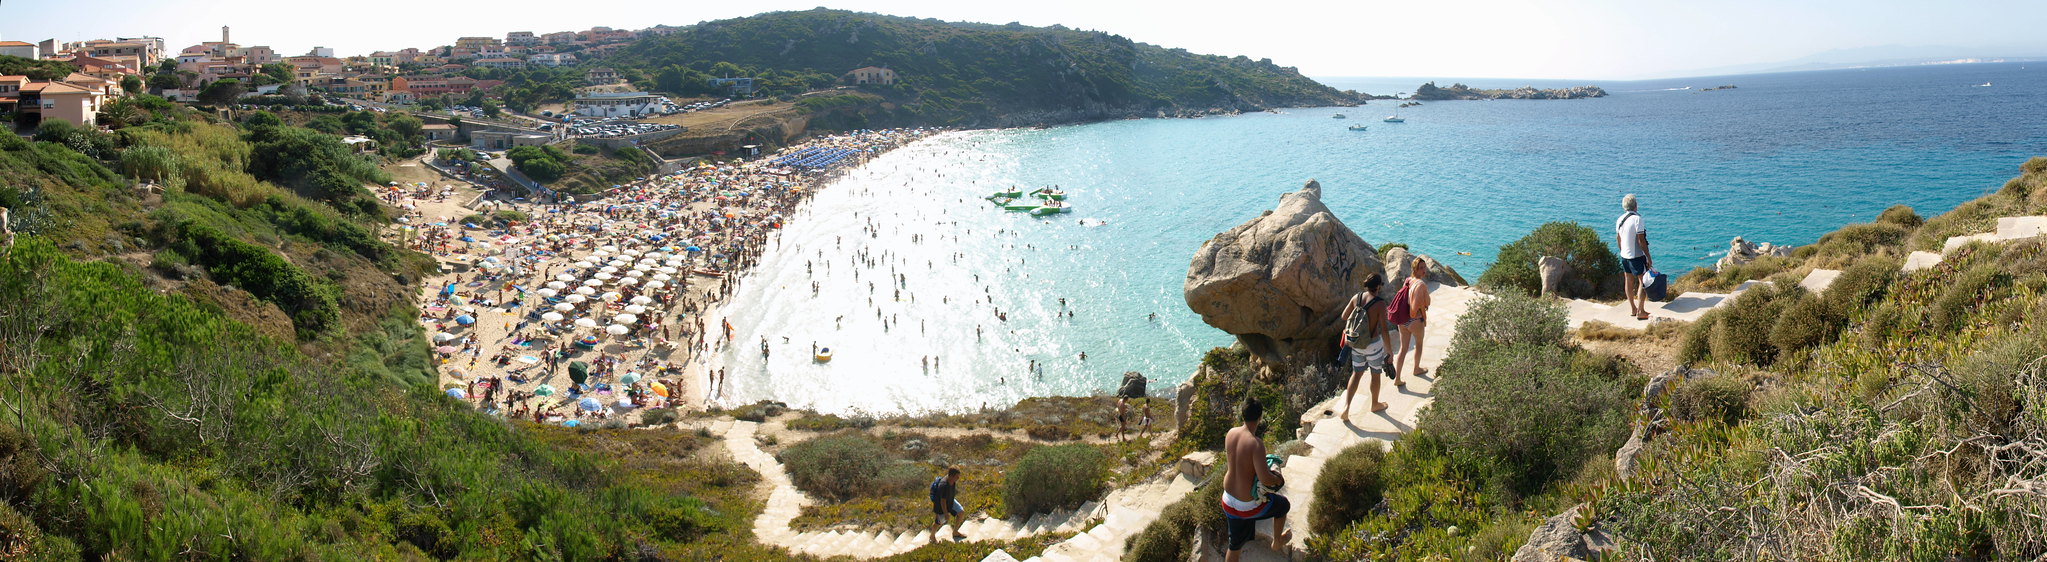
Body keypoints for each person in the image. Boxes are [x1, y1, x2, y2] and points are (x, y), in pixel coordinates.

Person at [1222, 396, 1289, 560]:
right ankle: (1277, 541)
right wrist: (1278, 480)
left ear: (1242, 415)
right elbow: (1265, 479)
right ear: (1260, 418)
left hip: (1228, 500)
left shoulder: (1231, 433)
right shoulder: (1255, 443)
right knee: (1282, 506)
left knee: (1234, 545)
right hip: (1246, 505)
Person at [1338, 274, 1398, 421]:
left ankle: (1346, 407)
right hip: (1373, 345)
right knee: (1375, 374)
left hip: (1357, 344)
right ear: (1378, 286)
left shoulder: (1356, 297)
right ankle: (1375, 404)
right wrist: (1389, 351)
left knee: (1356, 374)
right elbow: (1384, 329)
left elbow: (1344, 316)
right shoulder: (1379, 303)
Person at [1393, 258, 1434, 378]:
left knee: (1403, 349)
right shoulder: (1421, 284)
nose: (1424, 270)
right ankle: (1416, 369)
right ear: (1415, 269)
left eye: (1424, 267)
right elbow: (1414, 307)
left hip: (1403, 320)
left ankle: (1398, 378)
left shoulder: (1408, 280)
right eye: (1421, 268)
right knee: (1419, 345)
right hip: (1415, 320)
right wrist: (1419, 309)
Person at [1615, 194, 1652, 320]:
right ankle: (1641, 311)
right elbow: (1641, 240)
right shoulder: (1637, 219)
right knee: (1643, 281)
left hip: (1624, 256)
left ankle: (1633, 309)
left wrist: (1623, 251)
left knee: (1628, 281)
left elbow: (1618, 239)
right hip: (1636, 256)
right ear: (1636, 205)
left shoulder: (1620, 219)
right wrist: (1648, 257)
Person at [929, 468, 967, 541]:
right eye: (957, 477)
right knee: (938, 522)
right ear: (951, 476)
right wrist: (946, 513)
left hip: (950, 501)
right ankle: (932, 536)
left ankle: (955, 532)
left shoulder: (952, 480)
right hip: (941, 506)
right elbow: (942, 501)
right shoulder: (944, 485)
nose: (958, 478)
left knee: (961, 512)